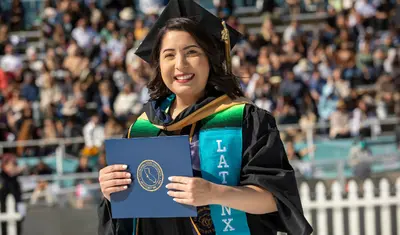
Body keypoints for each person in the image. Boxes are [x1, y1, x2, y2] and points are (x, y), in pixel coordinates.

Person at [98, 0, 313, 234]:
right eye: (169, 55)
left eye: (191, 52)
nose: (180, 65)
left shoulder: (245, 120)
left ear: (210, 59)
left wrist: (213, 193)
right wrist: (111, 192)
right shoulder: (142, 130)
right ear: (158, 64)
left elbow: (275, 200)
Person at [0, 153, 25, 235]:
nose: (13, 166)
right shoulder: (2, 178)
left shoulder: (15, 179)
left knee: (17, 227)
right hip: (3, 209)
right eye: (11, 164)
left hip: (15, 208)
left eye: (14, 164)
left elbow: (17, 193)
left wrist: (20, 203)